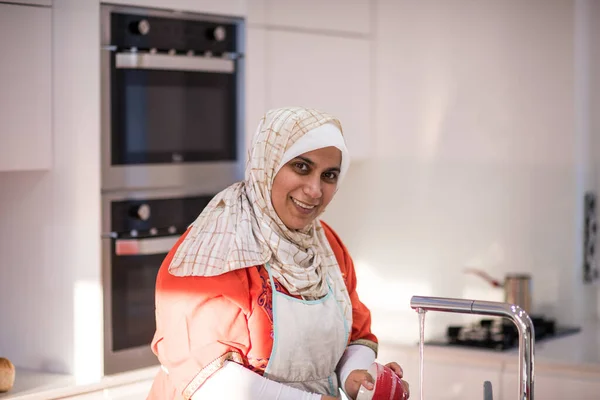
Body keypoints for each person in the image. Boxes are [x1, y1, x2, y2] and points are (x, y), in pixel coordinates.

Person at [147, 107, 410, 400]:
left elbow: (353, 334)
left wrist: (356, 376)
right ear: (268, 164)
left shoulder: (326, 246)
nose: (314, 190)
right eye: (301, 167)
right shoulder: (214, 250)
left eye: (329, 175)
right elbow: (209, 380)